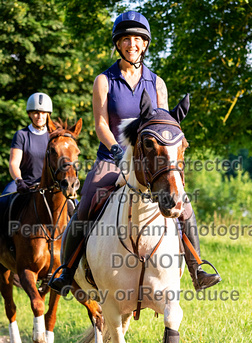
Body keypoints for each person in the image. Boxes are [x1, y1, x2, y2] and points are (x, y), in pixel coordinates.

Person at [49, 10, 221, 295]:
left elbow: (164, 125)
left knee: (184, 205)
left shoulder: (157, 83)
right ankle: (67, 272)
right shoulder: (104, 81)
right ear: (118, 44)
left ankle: (197, 267)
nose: (133, 44)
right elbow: (101, 123)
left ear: (145, 43)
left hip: (149, 161)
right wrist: (116, 150)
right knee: (86, 203)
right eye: (127, 39)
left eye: (139, 39)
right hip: (111, 158)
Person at [0, 93, 52, 201]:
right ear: (29, 114)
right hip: (25, 184)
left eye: (43, 113)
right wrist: (19, 181)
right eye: (36, 113)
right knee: (3, 202)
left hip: (49, 185)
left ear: (48, 115)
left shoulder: (53, 136)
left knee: (75, 206)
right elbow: (13, 163)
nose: (40, 116)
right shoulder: (21, 135)